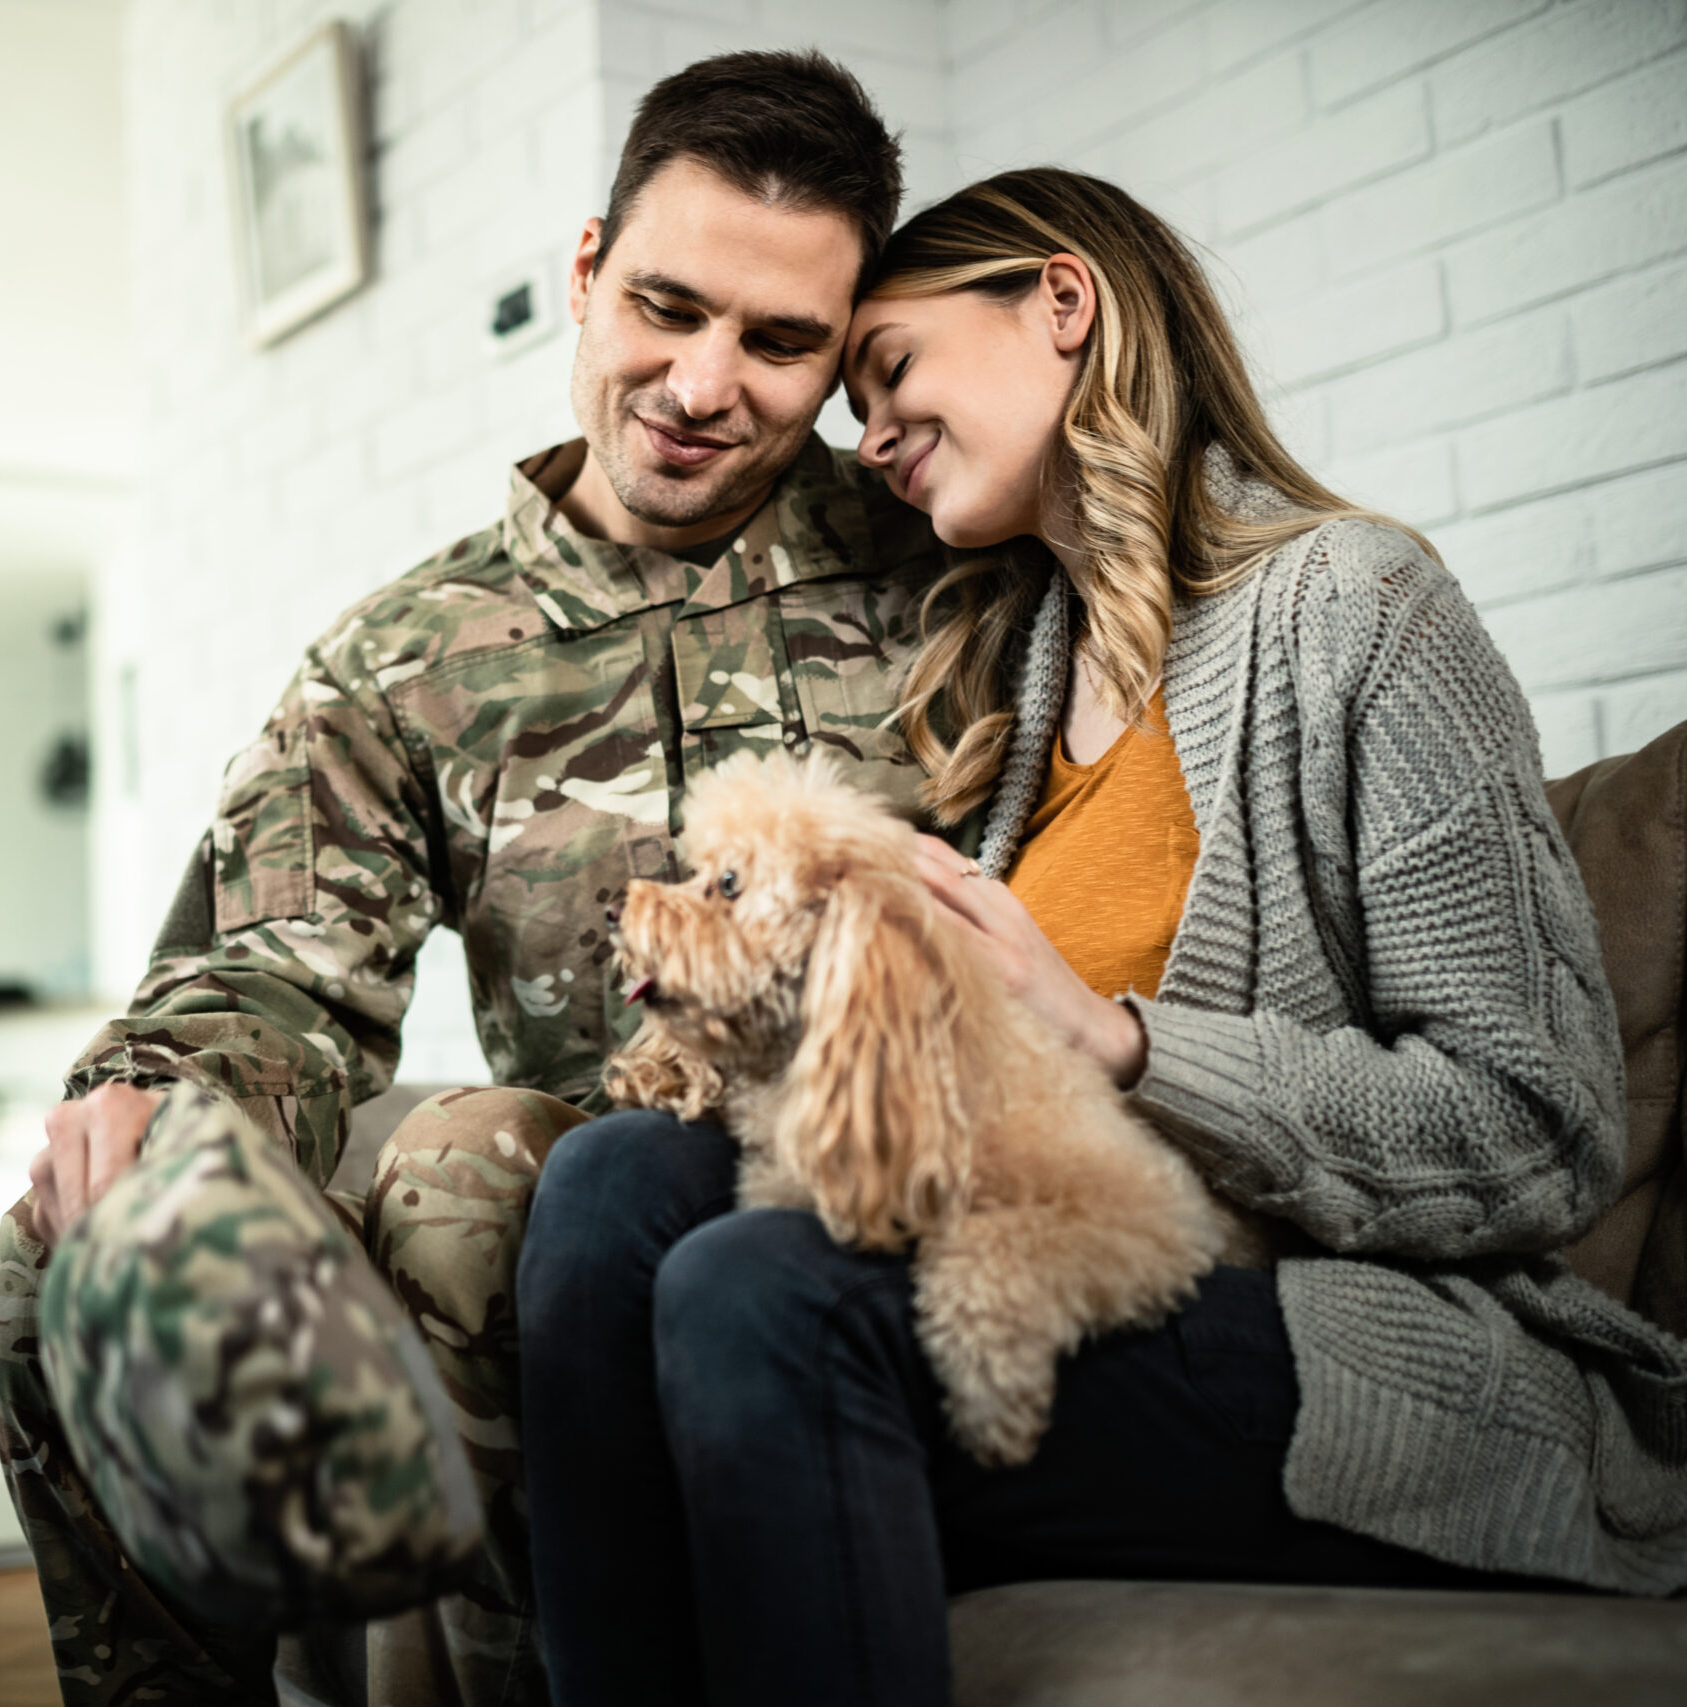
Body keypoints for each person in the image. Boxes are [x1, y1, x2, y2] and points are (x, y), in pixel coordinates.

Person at [516, 164, 1687, 1707]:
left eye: (893, 368)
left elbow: (1542, 1132)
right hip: (1073, 1273)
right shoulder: (1016, 693)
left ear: (1061, 304)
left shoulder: (1359, 605)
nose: (871, 438)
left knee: (765, 1295)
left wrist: (1123, 1041)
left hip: (1363, 1342)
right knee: (610, 1185)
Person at [0, 51, 952, 1706]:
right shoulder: (402, 661)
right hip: (599, 1211)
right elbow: (272, 968)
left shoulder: (939, 562)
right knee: (61, 1248)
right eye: (667, 304)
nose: (705, 383)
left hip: (889, 1185)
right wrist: (154, 1097)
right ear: (585, 274)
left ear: (839, 357)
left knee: (484, 1169)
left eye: (779, 341)